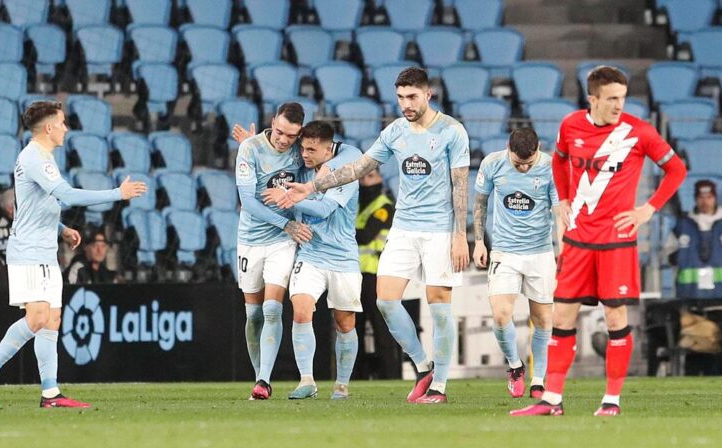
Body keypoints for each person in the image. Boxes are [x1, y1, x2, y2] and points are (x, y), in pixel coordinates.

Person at [278, 67, 471, 404]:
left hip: (439, 229)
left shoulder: (452, 132)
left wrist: (460, 234)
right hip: (404, 227)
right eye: (400, 98)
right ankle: (424, 365)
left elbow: (460, 185)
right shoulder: (395, 131)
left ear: (428, 94)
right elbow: (358, 167)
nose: (405, 104)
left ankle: (439, 385)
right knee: (384, 300)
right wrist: (312, 185)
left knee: (440, 307)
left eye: (412, 97)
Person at [511, 66, 687, 417]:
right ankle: (552, 400)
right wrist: (561, 199)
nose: (619, 105)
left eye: (622, 98)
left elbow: (677, 169)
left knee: (615, 316)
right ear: (592, 99)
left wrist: (647, 210)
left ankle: (612, 400)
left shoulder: (639, 132)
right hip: (577, 238)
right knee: (561, 315)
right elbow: (559, 161)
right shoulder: (570, 125)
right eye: (611, 99)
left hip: (616, 241)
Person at [0, 101, 146, 409]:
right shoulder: (35, 157)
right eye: (63, 123)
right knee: (37, 318)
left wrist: (62, 228)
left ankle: (50, 393)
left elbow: (36, 204)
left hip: (46, 251)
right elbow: (66, 195)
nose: (66, 128)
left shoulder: (42, 156)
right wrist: (117, 194)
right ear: (49, 127)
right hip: (28, 252)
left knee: (52, 319)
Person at [261, 121, 362, 400]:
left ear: (329, 149)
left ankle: (342, 385)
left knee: (344, 322)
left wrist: (289, 200)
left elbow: (326, 208)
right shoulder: (301, 171)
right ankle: (307, 380)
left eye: (311, 149)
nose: (304, 154)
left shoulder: (344, 174)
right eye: (303, 148)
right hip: (311, 253)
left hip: (342, 256)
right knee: (301, 310)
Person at [234, 102, 313, 400]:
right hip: (251, 240)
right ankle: (259, 376)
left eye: (291, 136)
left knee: (271, 308)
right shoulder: (250, 149)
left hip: (281, 242)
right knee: (253, 314)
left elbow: (336, 152)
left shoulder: (299, 151)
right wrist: (287, 224)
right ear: (272, 123)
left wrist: (288, 226)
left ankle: (264, 381)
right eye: (279, 132)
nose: (283, 140)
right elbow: (249, 203)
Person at [472, 128, 559, 400]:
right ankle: (514, 366)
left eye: (528, 163)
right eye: (517, 162)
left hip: (540, 253)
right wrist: (478, 242)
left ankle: (539, 380)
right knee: (500, 314)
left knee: (543, 318)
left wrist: (565, 250)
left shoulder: (551, 167)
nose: (523, 168)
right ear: (507, 147)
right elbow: (480, 203)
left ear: (539, 149)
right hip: (505, 252)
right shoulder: (492, 163)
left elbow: (559, 212)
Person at [355, 168, 398, 379]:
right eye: (362, 178)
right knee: (355, 329)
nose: (365, 182)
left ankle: (389, 375)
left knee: (381, 328)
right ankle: (357, 377)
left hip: (375, 276)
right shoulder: (356, 205)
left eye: (370, 177)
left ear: (381, 178)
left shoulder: (384, 207)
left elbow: (365, 235)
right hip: (355, 275)